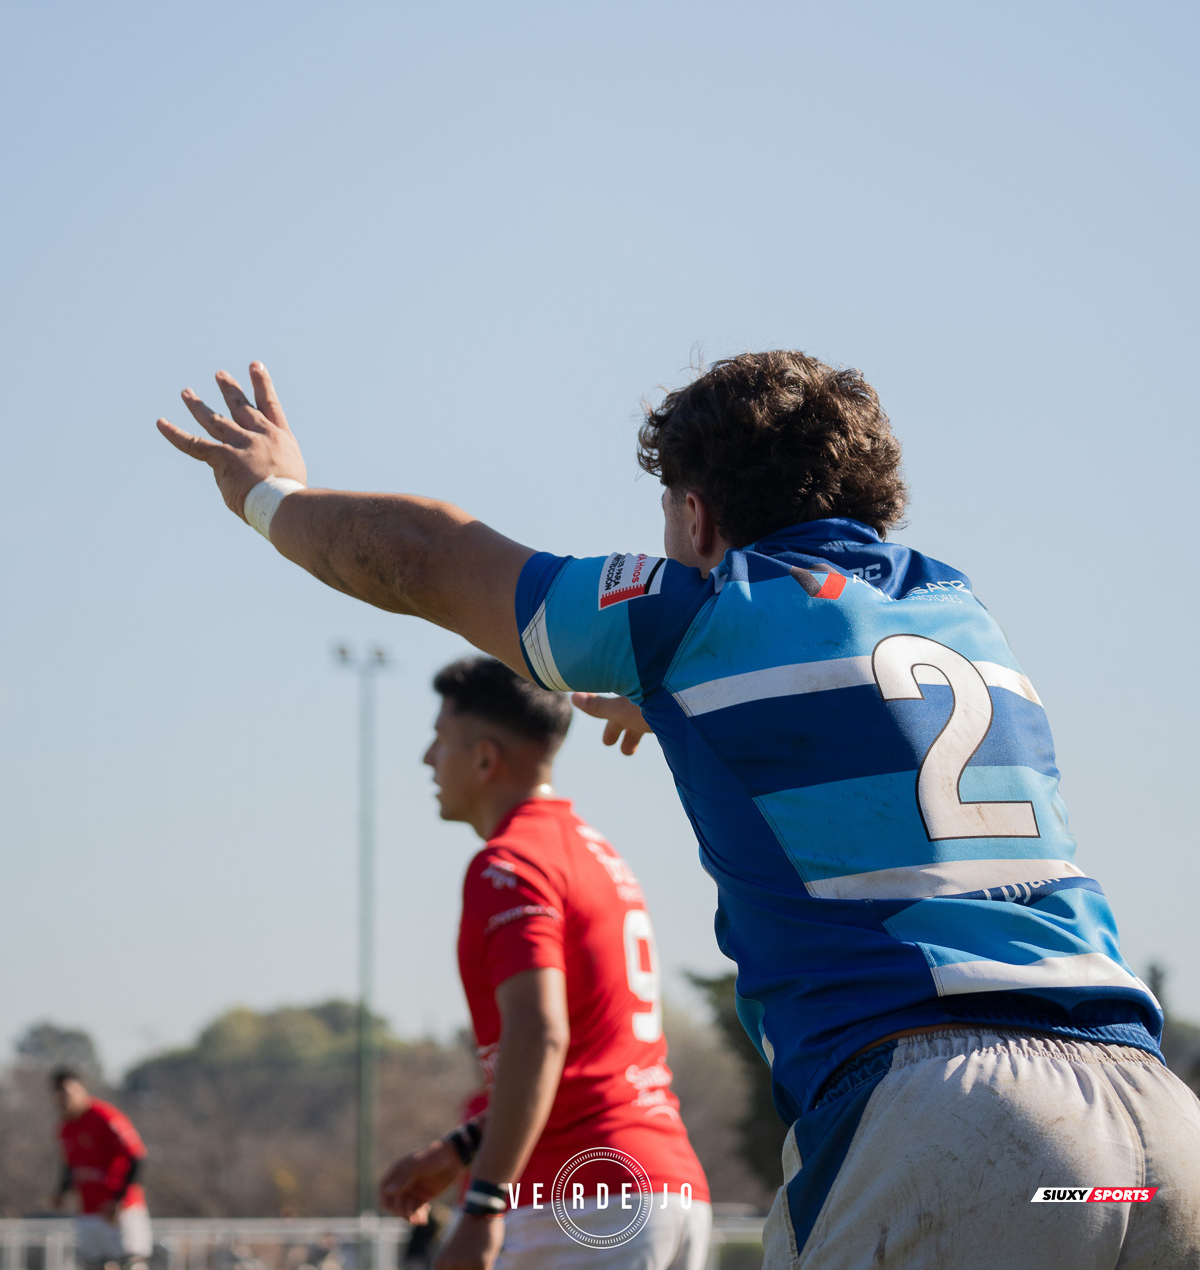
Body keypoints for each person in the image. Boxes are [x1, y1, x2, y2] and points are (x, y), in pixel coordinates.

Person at [159, 351, 1200, 1268]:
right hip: (1152, 1128)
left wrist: (270, 494)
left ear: (695, 515)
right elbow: (874, 736)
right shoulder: (960, 610)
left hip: (950, 1116)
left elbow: (425, 559)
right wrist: (680, 710)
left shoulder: (701, 610)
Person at [378, 654, 710, 1270]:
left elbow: (539, 1034)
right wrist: (460, 1148)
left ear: (484, 758)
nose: (428, 759)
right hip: (658, 1185)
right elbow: (581, 1059)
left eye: (439, 739)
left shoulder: (509, 864)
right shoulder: (592, 851)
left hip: (582, 1200)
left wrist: (481, 1207)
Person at [52, 1070, 152, 1269]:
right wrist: (62, 1191)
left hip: (120, 1210)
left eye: (68, 1093)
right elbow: (70, 1165)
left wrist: (118, 1199)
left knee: (130, 1263)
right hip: (89, 1210)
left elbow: (136, 1156)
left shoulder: (103, 1116)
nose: (64, 1100)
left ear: (81, 1091)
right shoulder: (66, 1127)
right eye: (59, 1096)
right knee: (93, 1264)